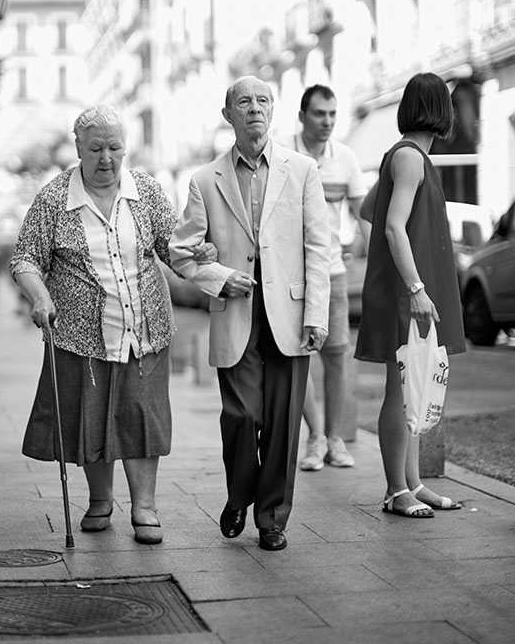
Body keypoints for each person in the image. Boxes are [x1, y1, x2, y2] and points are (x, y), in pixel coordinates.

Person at [9, 105, 214, 544]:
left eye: (115, 147)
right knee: (92, 416)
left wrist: (200, 257)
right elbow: (25, 257)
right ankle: (100, 500)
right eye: (96, 148)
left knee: (142, 413)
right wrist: (40, 296)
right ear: (79, 148)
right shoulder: (54, 199)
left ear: (126, 148)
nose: (106, 158)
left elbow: (172, 248)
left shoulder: (147, 192)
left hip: (145, 326)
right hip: (81, 334)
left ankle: (145, 507)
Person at [170, 75, 331, 551]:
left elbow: (318, 248)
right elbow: (181, 253)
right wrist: (219, 276)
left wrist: (316, 315)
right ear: (228, 115)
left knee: (282, 423)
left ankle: (272, 518)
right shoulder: (205, 180)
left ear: (273, 111)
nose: (254, 108)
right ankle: (239, 493)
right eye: (244, 102)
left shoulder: (302, 170)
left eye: (262, 100)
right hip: (236, 312)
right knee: (242, 415)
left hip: (292, 312)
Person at [355, 72, 465, 517]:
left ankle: (414, 483)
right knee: (400, 391)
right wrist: (415, 286)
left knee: (414, 387)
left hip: (407, 287)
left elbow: (369, 209)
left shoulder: (406, 156)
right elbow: (392, 224)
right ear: (440, 110)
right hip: (407, 292)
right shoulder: (411, 159)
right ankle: (396, 490)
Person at [293, 85, 370, 471]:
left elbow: (363, 213)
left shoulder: (346, 158)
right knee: (299, 356)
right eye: (320, 113)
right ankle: (316, 436)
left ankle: (336, 439)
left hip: (333, 273)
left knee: (337, 354)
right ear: (303, 115)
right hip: (291, 276)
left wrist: (369, 256)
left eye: (332, 114)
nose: (327, 122)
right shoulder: (284, 154)